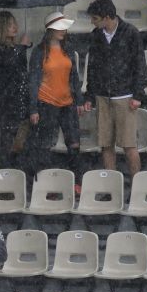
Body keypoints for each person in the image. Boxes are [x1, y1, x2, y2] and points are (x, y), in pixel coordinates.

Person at [83, 0, 147, 176]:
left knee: (128, 144)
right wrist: (89, 95)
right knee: (106, 144)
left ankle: (136, 185)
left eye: (95, 18)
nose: (92, 22)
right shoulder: (96, 35)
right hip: (103, 95)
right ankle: (111, 185)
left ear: (106, 17)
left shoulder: (130, 32)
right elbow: (93, 67)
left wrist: (138, 95)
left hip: (124, 95)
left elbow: (140, 65)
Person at [28, 11, 85, 192]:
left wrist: (79, 100)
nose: (63, 31)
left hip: (67, 103)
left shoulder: (67, 49)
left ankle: (77, 183)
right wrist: (33, 108)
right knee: (46, 144)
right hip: (47, 103)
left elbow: (74, 77)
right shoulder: (39, 52)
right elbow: (34, 80)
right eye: (59, 28)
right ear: (50, 30)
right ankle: (46, 186)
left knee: (74, 143)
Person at [0, 11, 32, 168]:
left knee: (21, 138)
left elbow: (21, 70)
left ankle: (17, 170)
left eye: (15, 24)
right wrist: (22, 46)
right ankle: (6, 171)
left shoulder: (14, 48)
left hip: (19, 97)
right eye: (11, 25)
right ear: (2, 28)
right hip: (6, 99)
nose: (15, 28)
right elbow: (7, 62)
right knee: (8, 137)